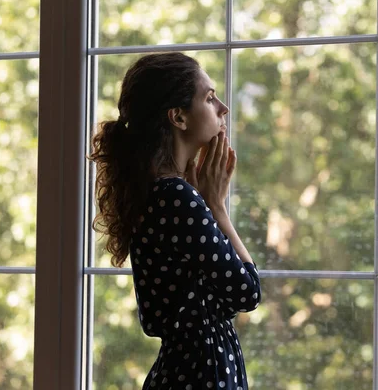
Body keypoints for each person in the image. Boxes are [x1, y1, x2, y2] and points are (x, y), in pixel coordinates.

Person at [89, 52, 262, 390]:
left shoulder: (159, 193)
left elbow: (157, 318)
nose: (223, 108)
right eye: (209, 98)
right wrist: (217, 207)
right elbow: (247, 293)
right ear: (178, 118)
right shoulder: (175, 197)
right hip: (202, 376)